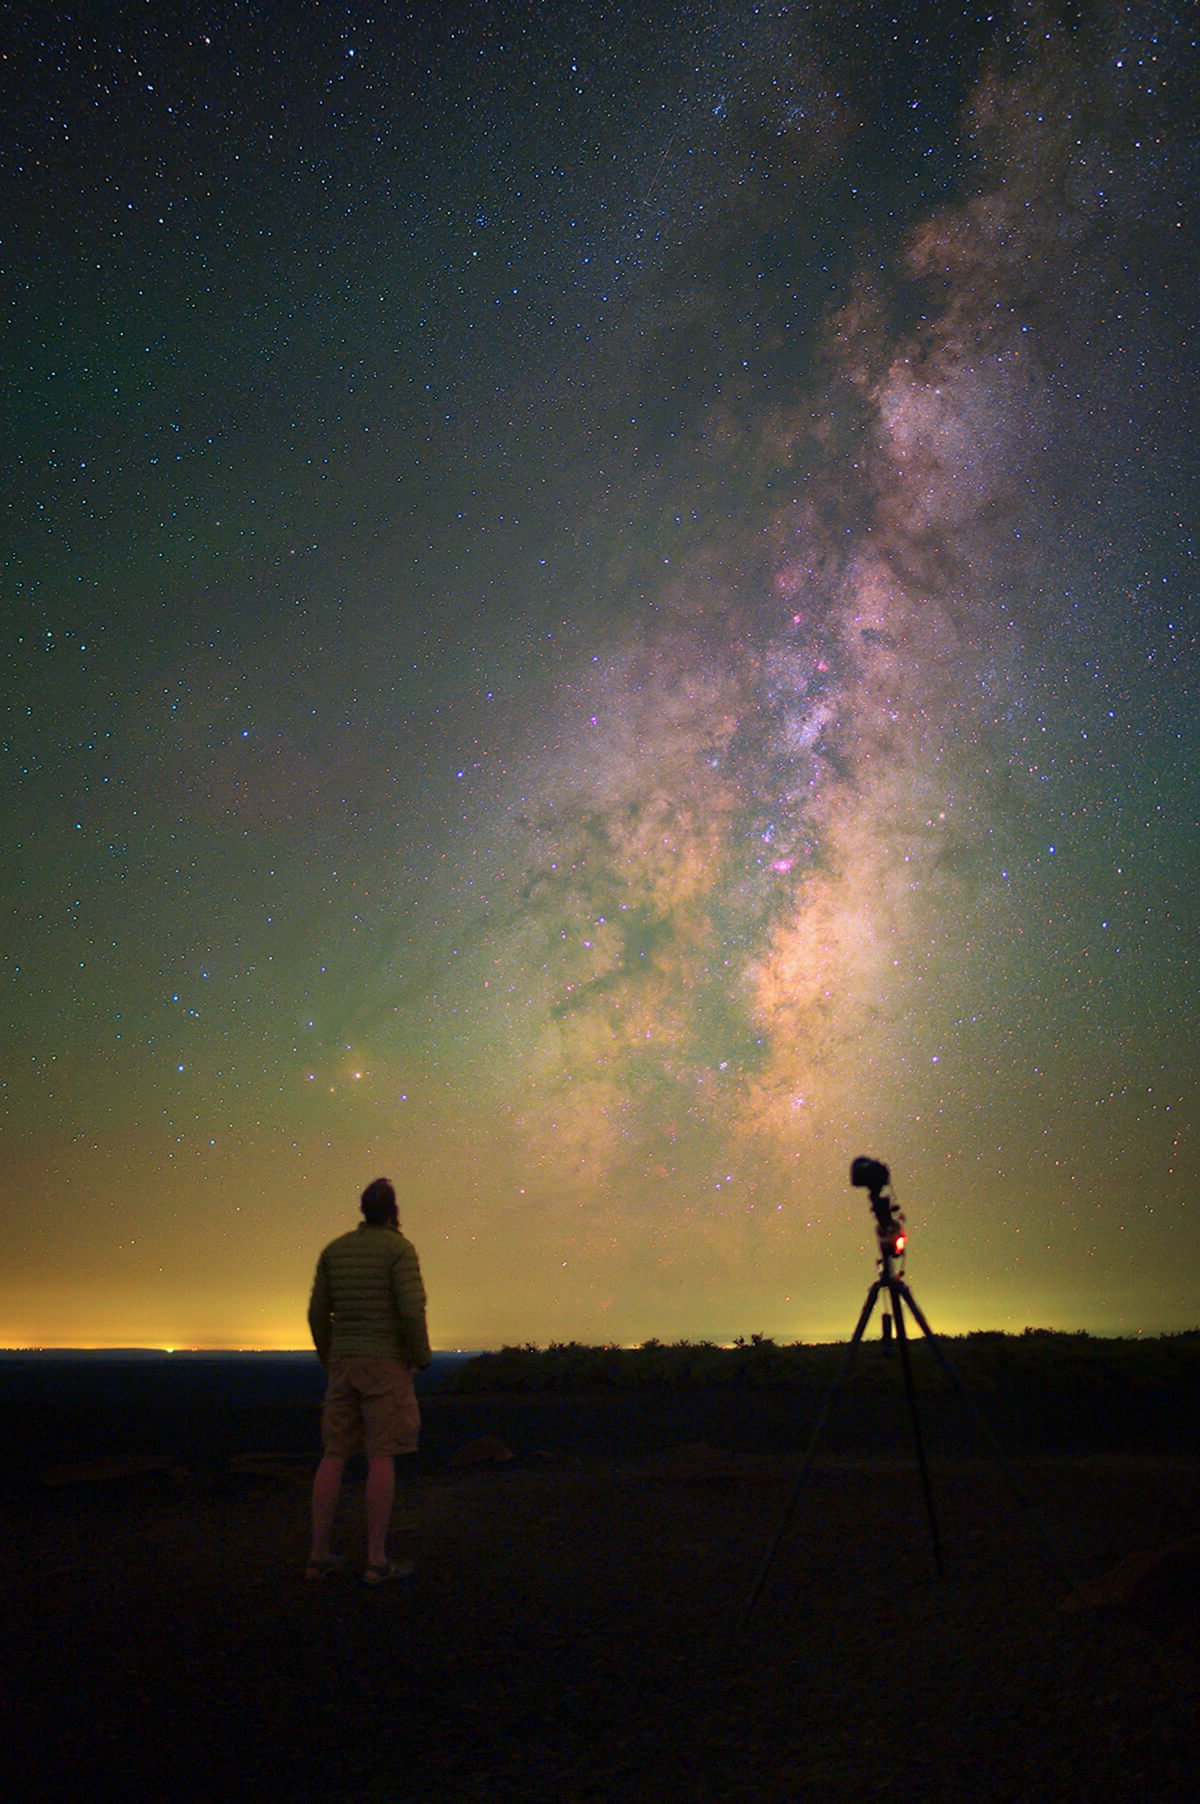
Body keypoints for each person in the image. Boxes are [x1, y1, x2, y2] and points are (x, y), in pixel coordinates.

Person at [306, 1176, 432, 1585]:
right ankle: (376, 1561)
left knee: (334, 1453)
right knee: (381, 1455)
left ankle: (318, 1555)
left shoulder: (335, 1251)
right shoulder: (399, 1249)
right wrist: (419, 1357)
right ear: (394, 1210)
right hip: (385, 1363)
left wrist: (331, 1356)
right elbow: (411, 1311)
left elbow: (316, 1313)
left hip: (343, 1360)